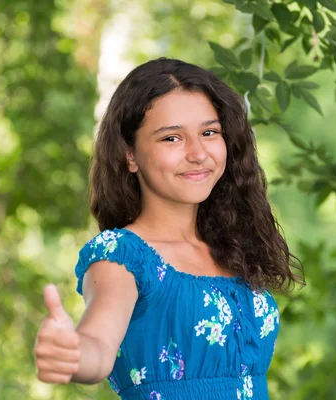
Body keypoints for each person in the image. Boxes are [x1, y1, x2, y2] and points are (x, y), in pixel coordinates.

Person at [34, 58, 304, 399]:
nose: (198, 153)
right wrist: (73, 353)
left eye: (209, 133)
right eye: (172, 138)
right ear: (130, 155)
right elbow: (97, 346)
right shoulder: (122, 255)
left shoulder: (232, 248)